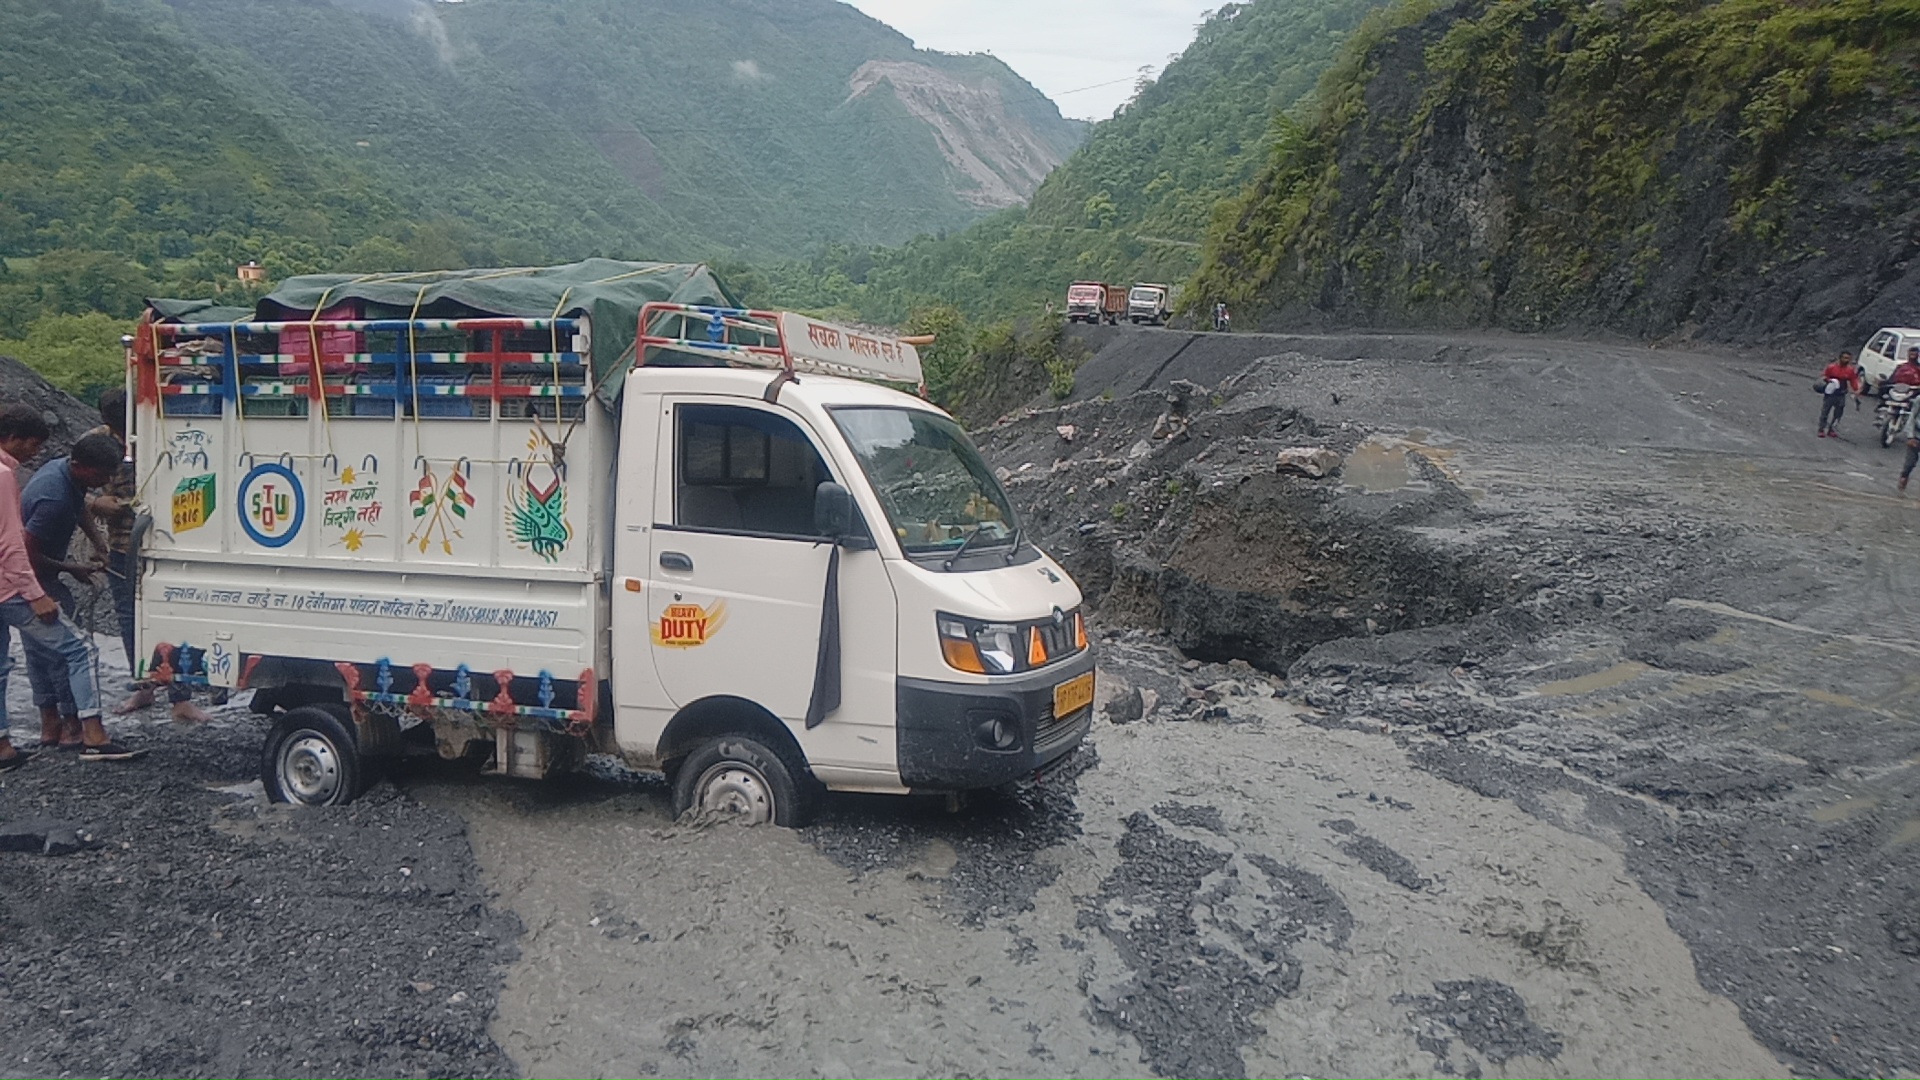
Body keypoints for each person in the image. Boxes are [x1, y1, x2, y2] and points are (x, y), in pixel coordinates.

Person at [88, 390, 211, 722]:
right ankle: (143, 686)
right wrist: (97, 505)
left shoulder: (165, 435)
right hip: (123, 546)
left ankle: (180, 697)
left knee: (174, 615)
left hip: (170, 544)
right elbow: (79, 489)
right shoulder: (97, 444)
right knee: (130, 621)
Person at [19, 431, 142, 761]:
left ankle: (51, 726)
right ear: (80, 465)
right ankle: (83, 730)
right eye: (101, 476)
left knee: (40, 652)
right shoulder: (52, 497)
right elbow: (25, 554)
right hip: (31, 576)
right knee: (75, 651)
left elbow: (80, 508)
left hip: (36, 574)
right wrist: (70, 567)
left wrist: (100, 546)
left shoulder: (64, 473)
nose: (104, 483)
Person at [1817, 351, 1863, 438]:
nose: (1846, 360)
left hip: (1841, 394)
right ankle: (1821, 429)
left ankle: (1832, 429)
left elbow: (1853, 380)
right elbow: (1824, 376)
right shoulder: (1831, 367)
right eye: (1845, 358)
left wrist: (1857, 390)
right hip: (1830, 394)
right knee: (1825, 411)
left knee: (1838, 413)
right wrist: (1829, 380)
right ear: (1840, 358)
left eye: (1848, 359)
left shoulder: (1850, 370)